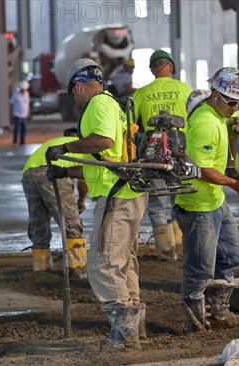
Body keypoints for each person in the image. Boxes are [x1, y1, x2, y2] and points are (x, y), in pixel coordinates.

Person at [46, 58, 148, 350]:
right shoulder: (113, 105)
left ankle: (124, 338)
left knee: (103, 265)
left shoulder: (99, 104)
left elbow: (102, 142)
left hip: (117, 197)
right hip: (126, 192)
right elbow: (104, 162)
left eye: (72, 93)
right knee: (123, 263)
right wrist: (67, 170)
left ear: (78, 86)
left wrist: (66, 147)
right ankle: (134, 332)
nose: (75, 100)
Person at [174, 67, 239, 332]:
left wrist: (232, 166)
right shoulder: (205, 123)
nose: (235, 108)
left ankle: (219, 310)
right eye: (232, 103)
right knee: (199, 267)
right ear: (215, 95)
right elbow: (202, 170)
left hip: (214, 201)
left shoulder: (219, 114)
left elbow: (222, 157)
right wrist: (234, 182)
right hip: (198, 205)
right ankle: (195, 323)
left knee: (231, 255)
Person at [133, 50, 193, 261]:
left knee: (159, 200)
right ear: (171, 67)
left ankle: (166, 250)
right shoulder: (185, 89)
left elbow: (132, 125)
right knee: (181, 196)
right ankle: (181, 244)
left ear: (152, 69)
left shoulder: (142, 93)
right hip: (182, 153)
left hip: (154, 154)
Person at [21, 127, 87, 275]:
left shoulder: (56, 142)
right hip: (52, 172)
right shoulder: (83, 144)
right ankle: (77, 270)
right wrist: (81, 201)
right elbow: (84, 180)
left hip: (28, 172)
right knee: (71, 223)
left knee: (39, 224)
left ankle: (41, 270)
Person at [10, 80, 30, 145]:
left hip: (24, 115)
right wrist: (12, 113)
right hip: (17, 114)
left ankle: (22, 141)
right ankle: (15, 141)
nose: (24, 91)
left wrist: (28, 112)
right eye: (23, 89)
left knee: (23, 129)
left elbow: (27, 104)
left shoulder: (27, 94)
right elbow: (12, 104)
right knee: (17, 129)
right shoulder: (15, 94)